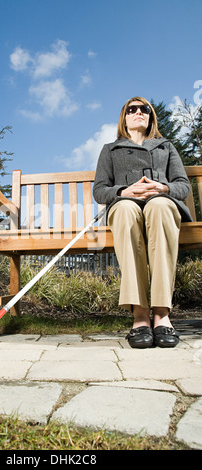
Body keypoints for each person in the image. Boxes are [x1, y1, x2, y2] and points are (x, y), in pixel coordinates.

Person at [93, 97, 192, 348]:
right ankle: (139, 315)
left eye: (144, 109)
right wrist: (123, 192)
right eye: (132, 109)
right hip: (126, 207)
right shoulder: (110, 150)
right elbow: (100, 190)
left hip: (161, 205)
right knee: (125, 210)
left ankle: (161, 314)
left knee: (159, 206)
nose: (139, 112)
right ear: (124, 118)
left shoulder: (165, 147)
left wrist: (163, 187)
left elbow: (183, 186)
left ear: (150, 117)